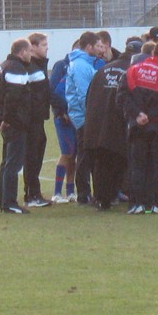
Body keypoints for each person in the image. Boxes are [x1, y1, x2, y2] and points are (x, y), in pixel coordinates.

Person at [122, 41, 158, 214]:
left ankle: (137, 203)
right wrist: (150, 116)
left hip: (136, 127)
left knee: (137, 165)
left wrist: (138, 114)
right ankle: (154, 203)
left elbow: (122, 96)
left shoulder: (133, 70)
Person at [84, 41, 141, 210]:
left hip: (96, 123)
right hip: (117, 124)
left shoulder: (104, 69)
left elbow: (89, 97)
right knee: (118, 161)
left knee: (102, 161)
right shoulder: (132, 72)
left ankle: (102, 198)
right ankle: (110, 196)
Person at [0, 39, 32, 214]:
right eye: (29, 51)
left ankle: (4, 201)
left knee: (6, 162)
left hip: (6, 121)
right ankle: (9, 203)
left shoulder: (2, 66)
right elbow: (12, 97)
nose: (30, 54)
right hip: (15, 122)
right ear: (21, 52)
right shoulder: (16, 68)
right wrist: (6, 119)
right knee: (13, 163)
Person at [65, 31, 104, 205]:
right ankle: (83, 193)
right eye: (97, 46)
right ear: (89, 46)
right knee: (85, 154)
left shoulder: (85, 63)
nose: (99, 49)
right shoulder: (81, 65)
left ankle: (89, 192)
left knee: (89, 153)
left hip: (85, 115)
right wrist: (91, 117)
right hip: (84, 117)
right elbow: (83, 95)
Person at [23, 32, 52, 207]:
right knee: (32, 155)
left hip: (38, 118)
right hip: (31, 120)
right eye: (43, 44)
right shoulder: (29, 67)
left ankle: (34, 192)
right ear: (32, 47)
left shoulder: (39, 65)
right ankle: (32, 194)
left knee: (37, 152)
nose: (46, 47)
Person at [49, 39, 79, 204]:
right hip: (64, 118)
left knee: (74, 154)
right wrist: (61, 112)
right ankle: (56, 192)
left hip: (77, 117)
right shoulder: (61, 65)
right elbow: (52, 91)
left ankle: (70, 191)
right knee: (66, 153)